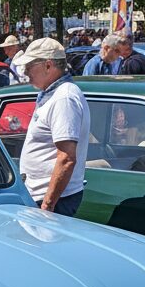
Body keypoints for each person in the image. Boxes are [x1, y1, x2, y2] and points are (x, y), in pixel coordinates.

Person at [14, 38, 89, 216]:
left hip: (53, 199)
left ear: (48, 66)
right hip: (44, 195)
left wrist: (48, 204)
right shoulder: (54, 94)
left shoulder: (64, 98)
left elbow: (66, 157)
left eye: (30, 65)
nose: (25, 71)